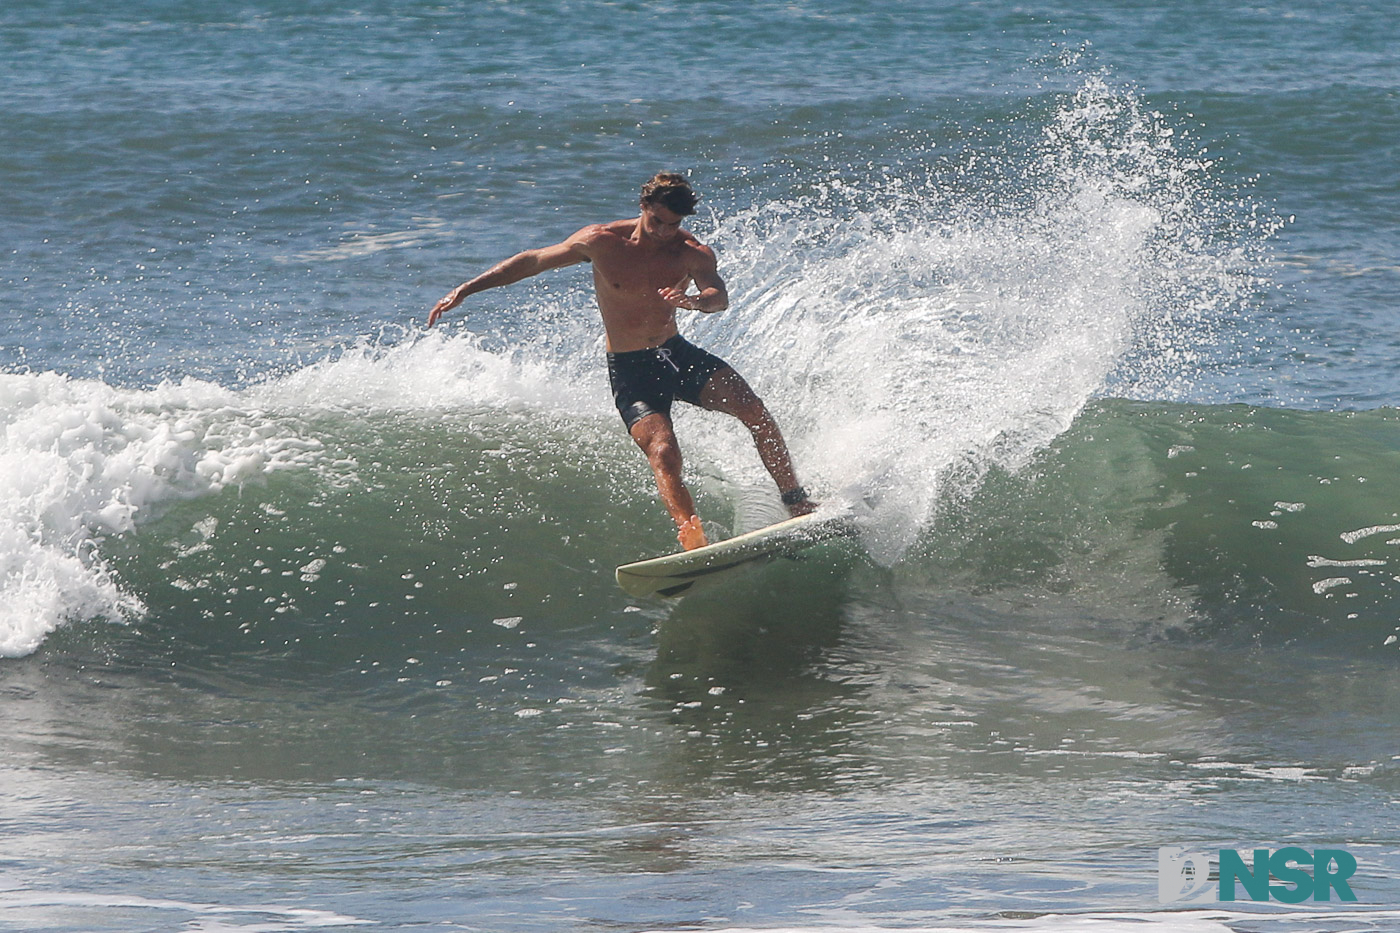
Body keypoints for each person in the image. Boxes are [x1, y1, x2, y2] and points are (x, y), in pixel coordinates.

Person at [426, 172, 815, 550]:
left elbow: (718, 296)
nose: (666, 232)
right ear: (644, 205)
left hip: (676, 354)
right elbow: (532, 261)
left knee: (755, 412)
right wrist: (467, 289)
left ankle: (795, 500)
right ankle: (692, 537)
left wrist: (696, 302)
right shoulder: (602, 242)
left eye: (674, 224)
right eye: (659, 221)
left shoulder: (690, 251)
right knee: (663, 451)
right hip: (632, 369)